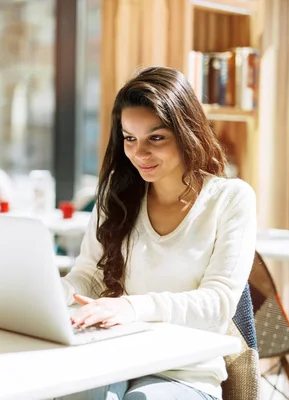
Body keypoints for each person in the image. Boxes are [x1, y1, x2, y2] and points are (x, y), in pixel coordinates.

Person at [58, 67, 256, 400]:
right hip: (114, 355)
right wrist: (46, 295)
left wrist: (132, 308)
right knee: (71, 393)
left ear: (186, 132)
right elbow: (89, 277)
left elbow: (219, 303)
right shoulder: (115, 195)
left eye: (156, 137)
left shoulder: (230, 198)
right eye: (130, 138)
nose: (139, 153)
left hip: (186, 371)